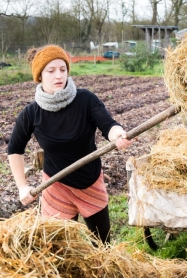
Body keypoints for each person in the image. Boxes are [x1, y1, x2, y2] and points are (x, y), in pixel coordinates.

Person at [7, 44, 132, 243]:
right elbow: (14, 149)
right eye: (51, 70)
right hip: (55, 185)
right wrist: (22, 186)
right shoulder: (31, 113)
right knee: (58, 248)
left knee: (102, 244)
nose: (59, 75)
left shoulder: (85, 100)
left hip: (89, 182)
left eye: (63, 69)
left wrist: (118, 134)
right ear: (39, 75)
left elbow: (108, 125)